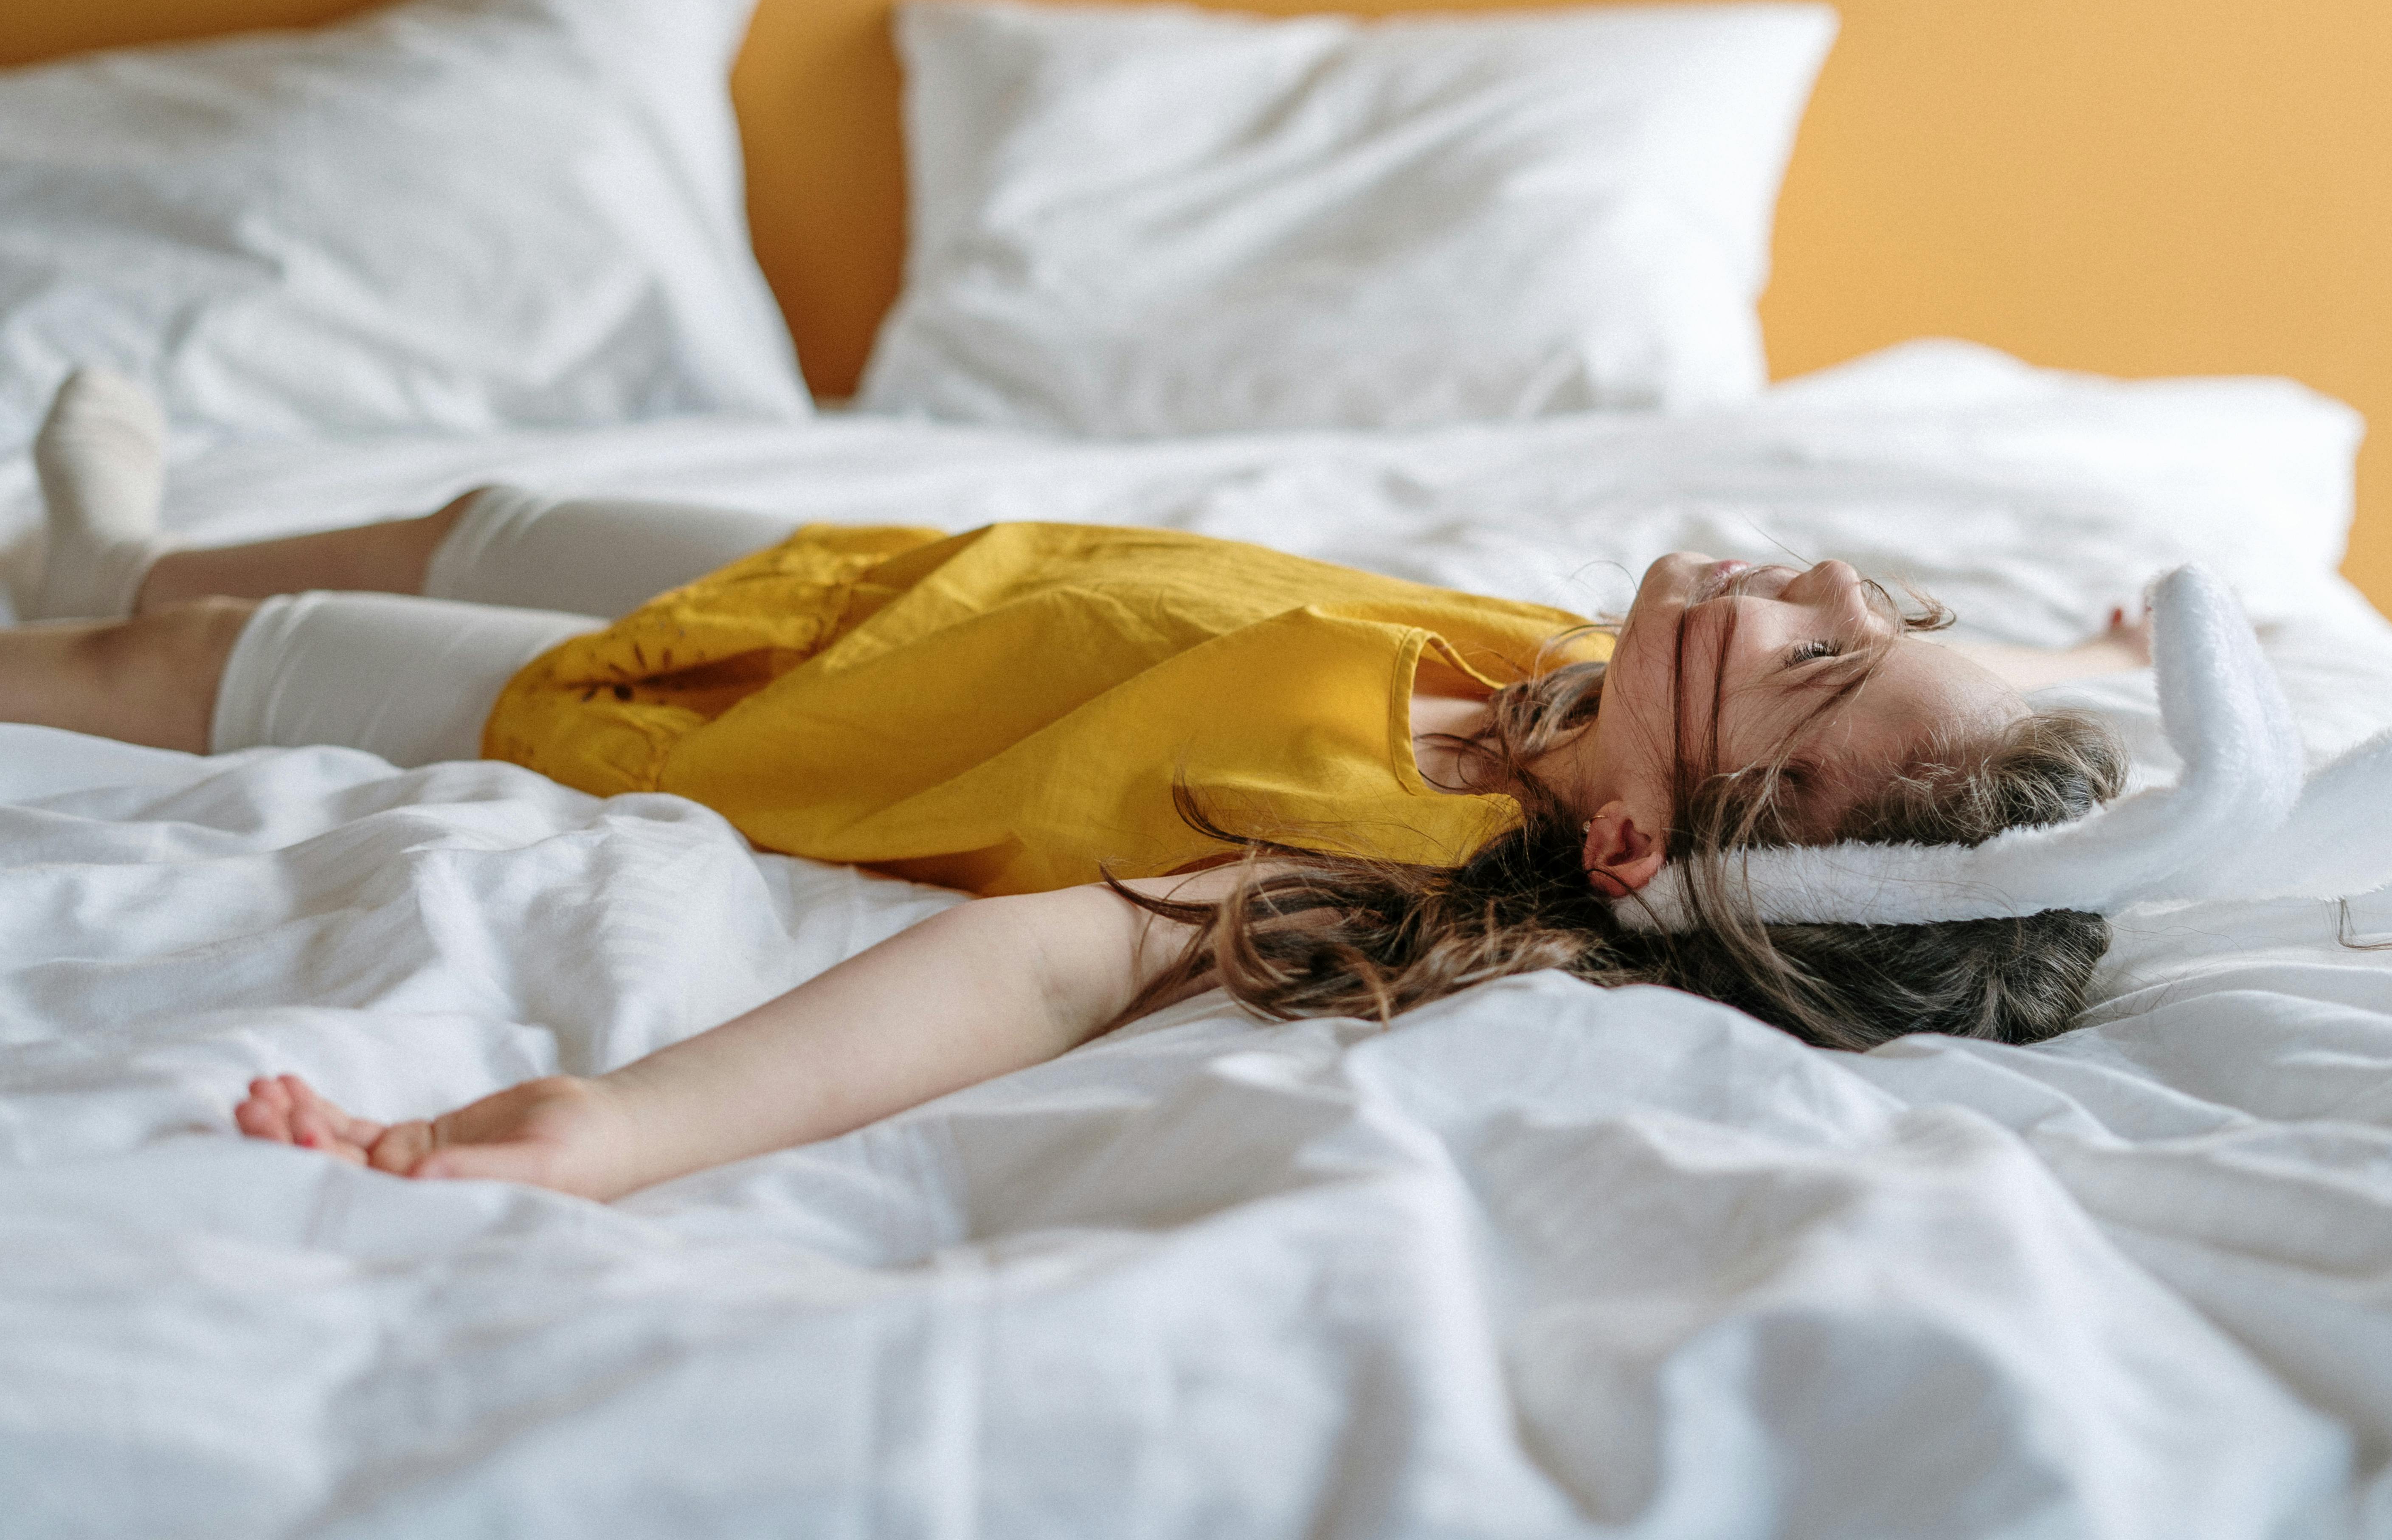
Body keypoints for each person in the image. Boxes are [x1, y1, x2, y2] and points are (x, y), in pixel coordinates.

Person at [6, 370, 2145, 1201]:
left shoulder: (1376, 845)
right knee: (487, 504)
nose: (1836, 584)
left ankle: (92, 611)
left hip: (745, 717)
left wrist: (619, 1120)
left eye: (1831, 652)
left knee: (206, 667)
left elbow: (1034, 974)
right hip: (918, 580)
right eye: (1895, 595)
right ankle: (96, 536)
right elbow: (1936, 742)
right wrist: (2082, 663)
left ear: (1627, 849)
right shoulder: (1593, 698)